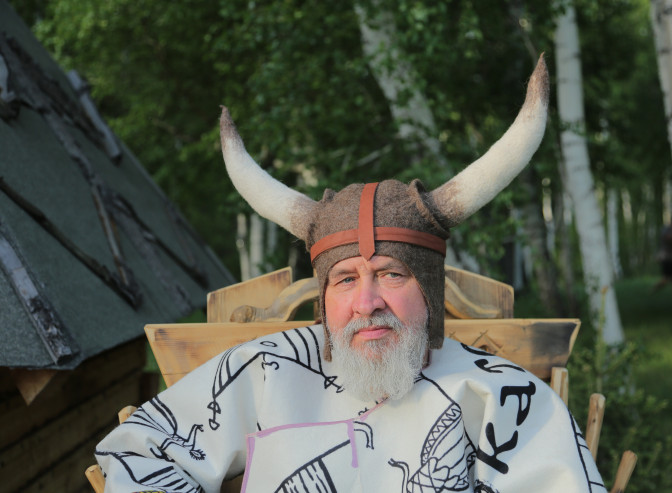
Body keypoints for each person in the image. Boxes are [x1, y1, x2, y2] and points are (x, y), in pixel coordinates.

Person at [95, 56, 606, 492]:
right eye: (345, 280)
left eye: (391, 274)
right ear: (324, 298)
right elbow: (139, 452)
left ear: (429, 289)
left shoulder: (495, 391)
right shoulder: (266, 371)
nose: (366, 302)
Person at [652, 214, 672, 292]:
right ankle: (653, 290)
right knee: (666, 278)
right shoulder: (667, 229)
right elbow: (668, 238)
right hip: (666, 257)